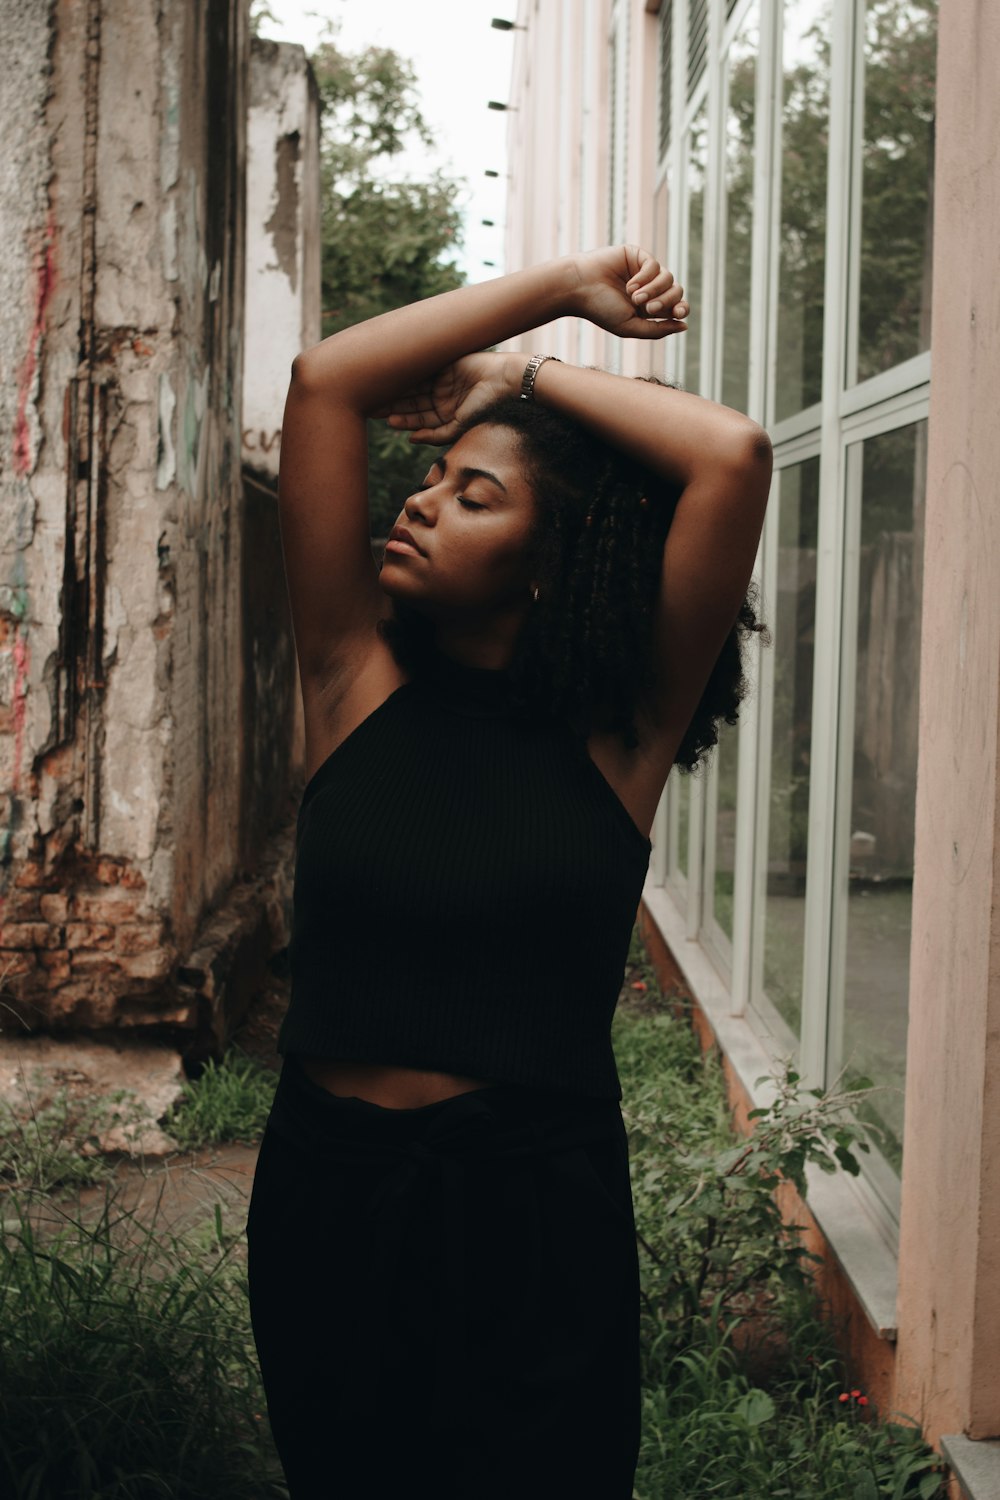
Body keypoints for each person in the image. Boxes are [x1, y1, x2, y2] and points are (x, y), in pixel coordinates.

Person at [245, 244, 772, 1499]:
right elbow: (326, 385)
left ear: (551, 561)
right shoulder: (351, 681)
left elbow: (730, 456)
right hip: (331, 1194)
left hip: (531, 1208)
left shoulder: (620, 735)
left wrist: (515, 374)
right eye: (427, 480)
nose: (418, 501)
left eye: (472, 494)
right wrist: (553, 288)